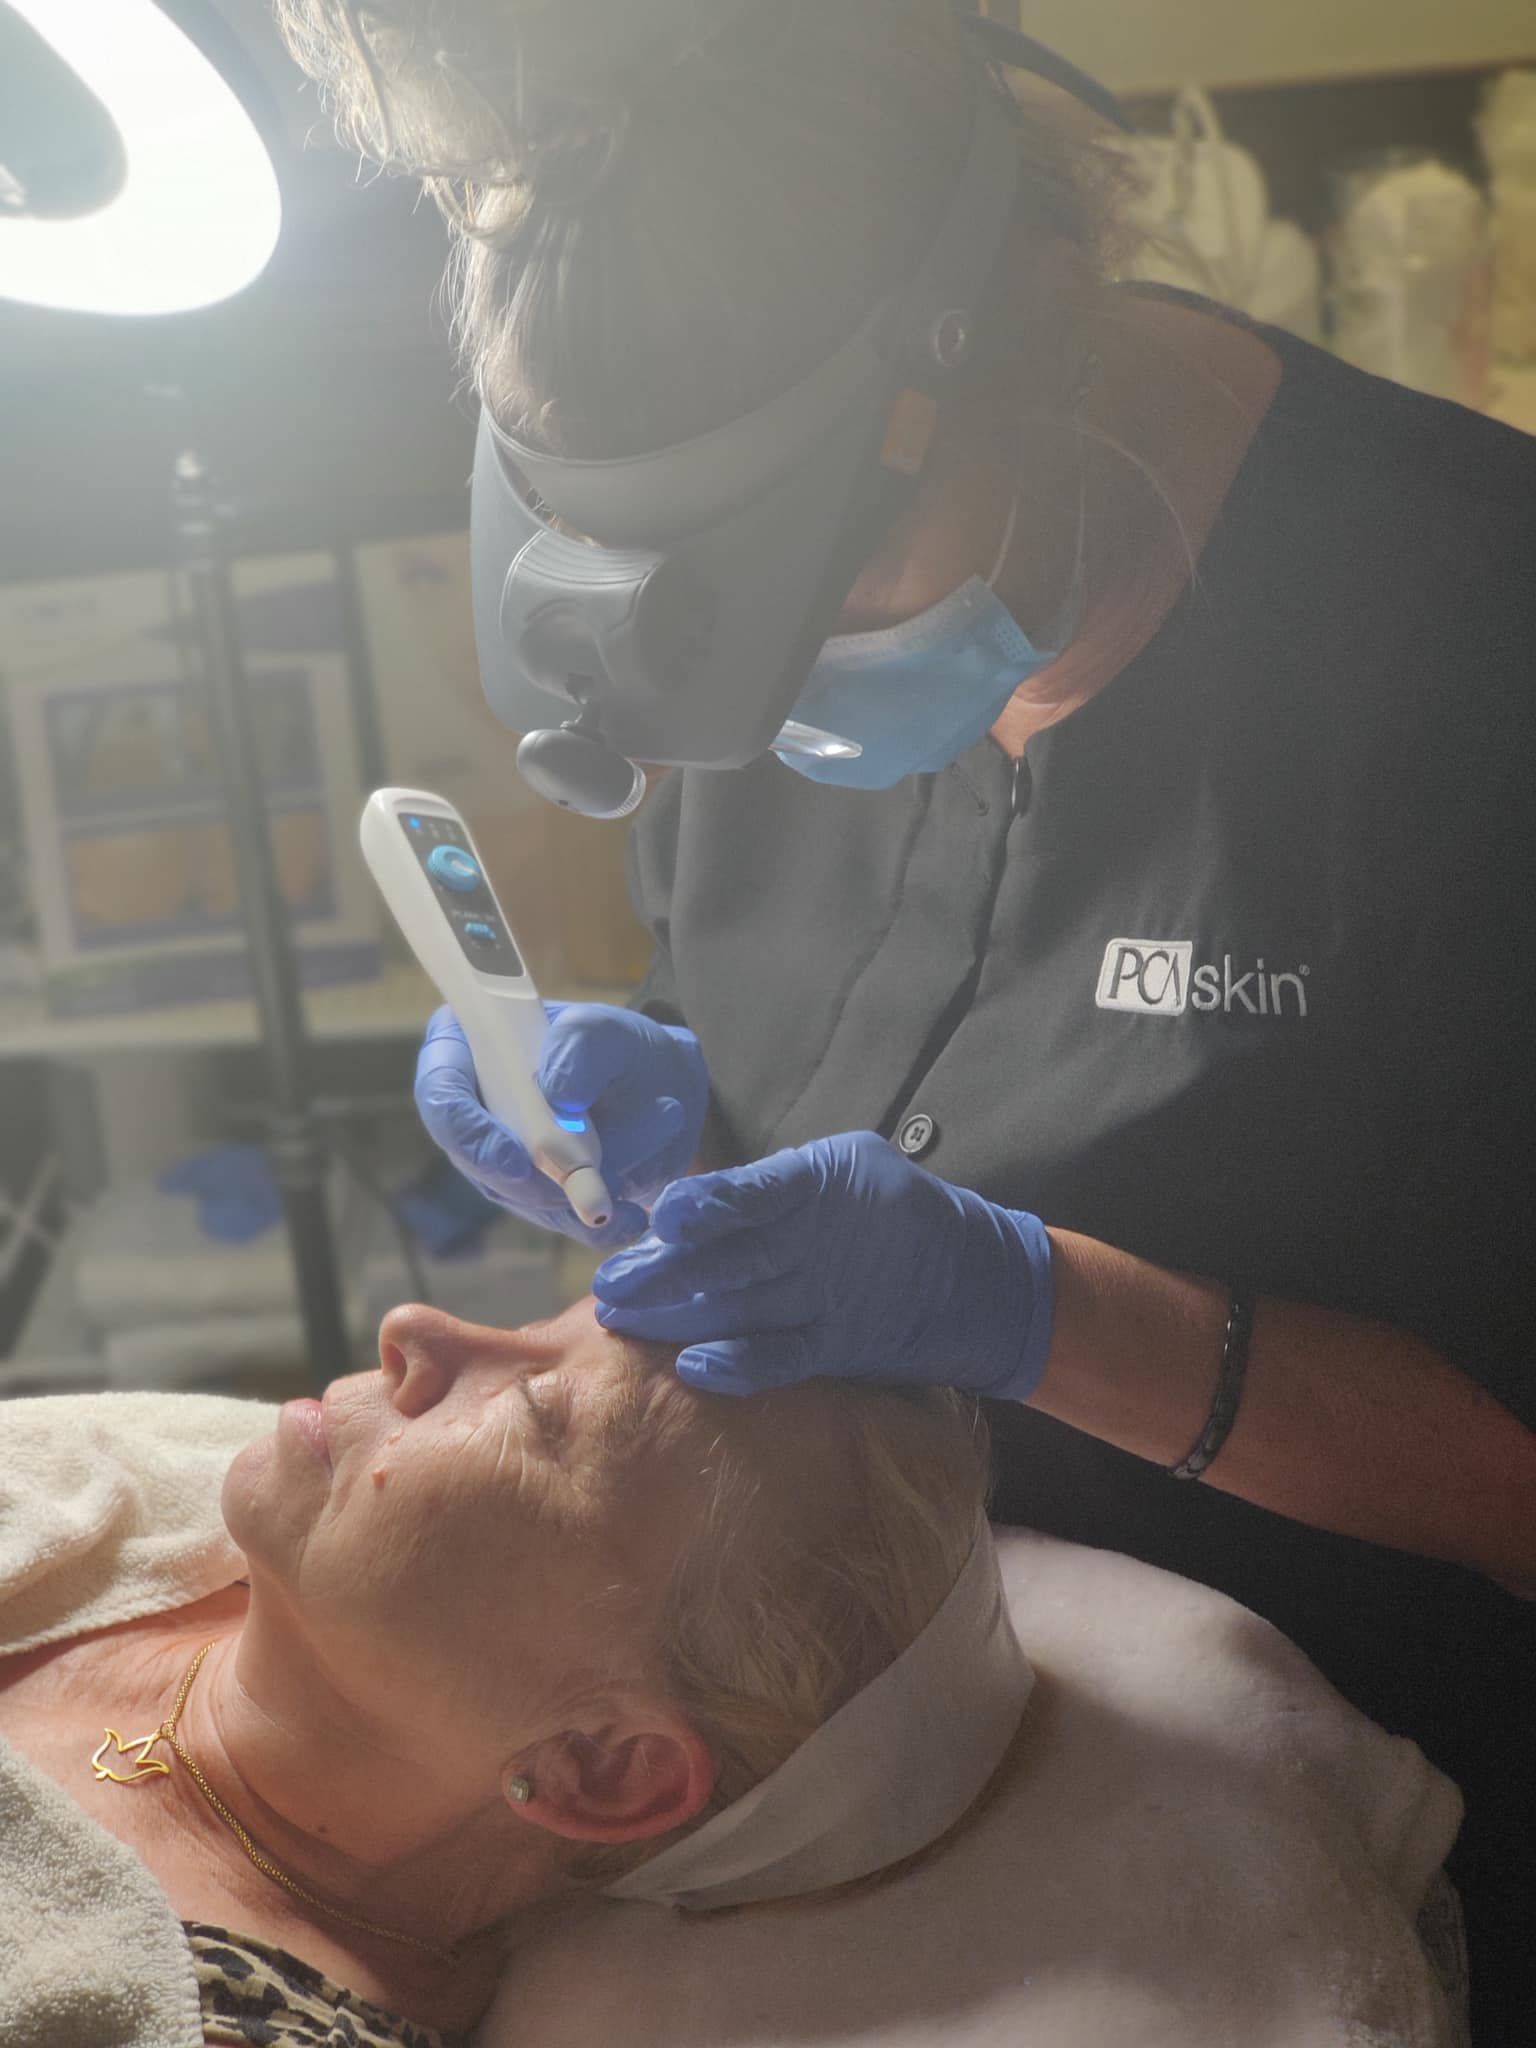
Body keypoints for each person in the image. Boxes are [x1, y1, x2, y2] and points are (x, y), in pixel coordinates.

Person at [275, 3, 1536, 2034]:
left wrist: (1044, 1305)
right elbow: (791, 1006)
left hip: (1379, 1857)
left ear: (1026, 317)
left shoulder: (1480, 663)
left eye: (837, 591)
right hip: (923, 1778)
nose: (785, 694)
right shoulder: (755, 596)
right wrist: (659, 1094)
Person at [0, 1297, 1001, 2044]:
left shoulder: (211, 2012)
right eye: (532, 1318)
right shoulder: (214, 1487)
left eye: (534, 1411)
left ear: (598, 1764)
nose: (414, 1326)